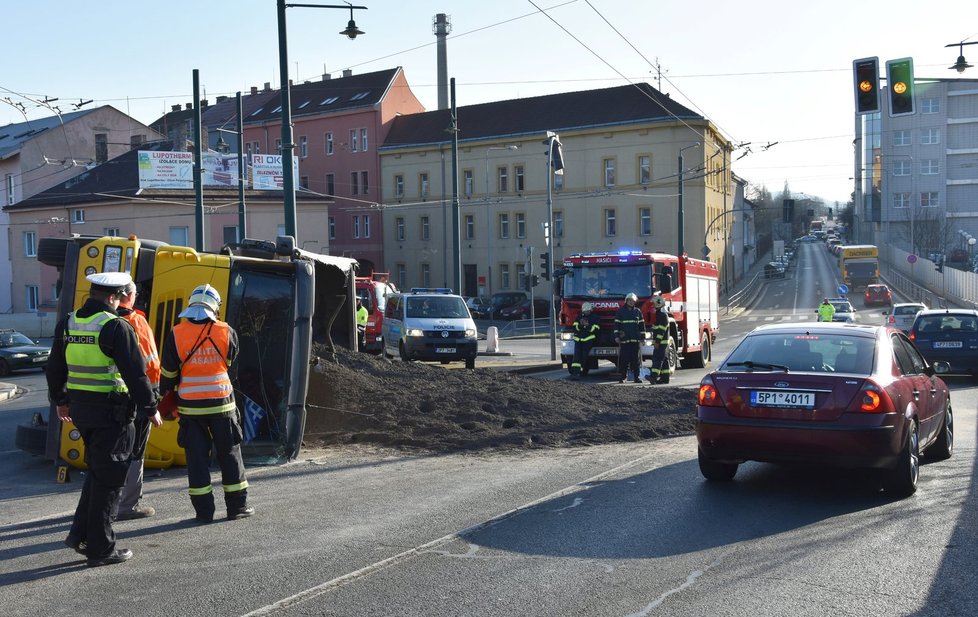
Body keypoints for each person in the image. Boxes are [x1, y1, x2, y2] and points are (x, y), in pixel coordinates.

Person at [48, 272, 161, 568]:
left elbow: (54, 367)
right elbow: (136, 373)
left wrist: (60, 401)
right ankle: (101, 549)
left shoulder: (69, 322)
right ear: (116, 296)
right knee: (109, 481)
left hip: (81, 412)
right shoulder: (115, 326)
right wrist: (150, 407)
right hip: (112, 415)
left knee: (98, 474)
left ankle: (80, 536)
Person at [160, 284, 254, 523]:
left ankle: (204, 513)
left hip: (191, 407)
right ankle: (237, 508)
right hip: (222, 405)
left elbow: (169, 374)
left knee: (197, 460)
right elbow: (230, 362)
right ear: (215, 307)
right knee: (230, 455)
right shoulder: (226, 330)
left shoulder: (177, 333)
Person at [111, 280, 161, 521]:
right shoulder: (135, 321)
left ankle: (105, 502)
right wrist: (153, 399)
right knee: (135, 450)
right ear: (129, 296)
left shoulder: (100, 321)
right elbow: (150, 365)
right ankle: (127, 505)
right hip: (135, 399)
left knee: (109, 451)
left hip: (106, 398)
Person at [614, 292, 645, 384]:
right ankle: (623, 377)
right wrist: (616, 336)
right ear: (626, 301)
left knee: (636, 360)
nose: (631, 302)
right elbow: (617, 325)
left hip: (635, 340)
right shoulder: (620, 311)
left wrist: (643, 338)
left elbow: (642, 326)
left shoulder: (637, 312)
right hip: (625, 340)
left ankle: (637, 377)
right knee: (624, 360)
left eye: (633, 301)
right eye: (630, 300)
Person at [569, 303, 600, 380]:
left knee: (583, 356)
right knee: (576, 356)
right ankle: (575, 372)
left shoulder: (595, 317)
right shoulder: (579, 316)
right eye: (585, 311)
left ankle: (580, 371)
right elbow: (575, 327)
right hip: (578, 339)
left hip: (588, 339)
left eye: (588, 311)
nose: (586, 312)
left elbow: (595, 329)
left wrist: (586, 325)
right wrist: (580, 325)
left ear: (591, 310)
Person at [648, 294, 672, 384]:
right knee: (664, 360)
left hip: (661, 342)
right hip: (662, 342)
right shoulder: (660, 314)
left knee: (657, 359)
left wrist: (657, 342)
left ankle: (653, 377)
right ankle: (665, 379)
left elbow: (661, 330)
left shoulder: (662, 315)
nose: (653, 305)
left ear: (658, 304)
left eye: (654, 304)